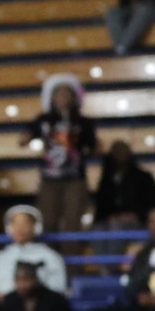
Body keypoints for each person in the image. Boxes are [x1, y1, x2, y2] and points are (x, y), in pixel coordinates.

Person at [27, 75, 96, 238]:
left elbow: (93, 147)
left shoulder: (82, 122)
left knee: (73, 222)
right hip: (49, 179)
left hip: (75, 179)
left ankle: (72, 261)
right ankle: (50, 260)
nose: (63, 98)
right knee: (48, 221)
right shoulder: (43, 120)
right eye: (59, 94)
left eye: (67, 94)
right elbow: (24, 138)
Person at [0, 206, 68, 296]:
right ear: (9, 228)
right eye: (15, 224)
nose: (19, 228)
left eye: (25, 224)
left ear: (36, 227)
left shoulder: (51, 257)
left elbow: (58, 289)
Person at [91, 141, 155, 230]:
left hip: (138, 221)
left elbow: (153, 204)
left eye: (122, 152)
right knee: (99, 229)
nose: (120, 156)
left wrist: (137, 216)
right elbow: (102, 206)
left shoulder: (143, 178)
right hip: (110, 221)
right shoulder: (107, 181)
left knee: (117, 228)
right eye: (117, 152)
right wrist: (110, 217)